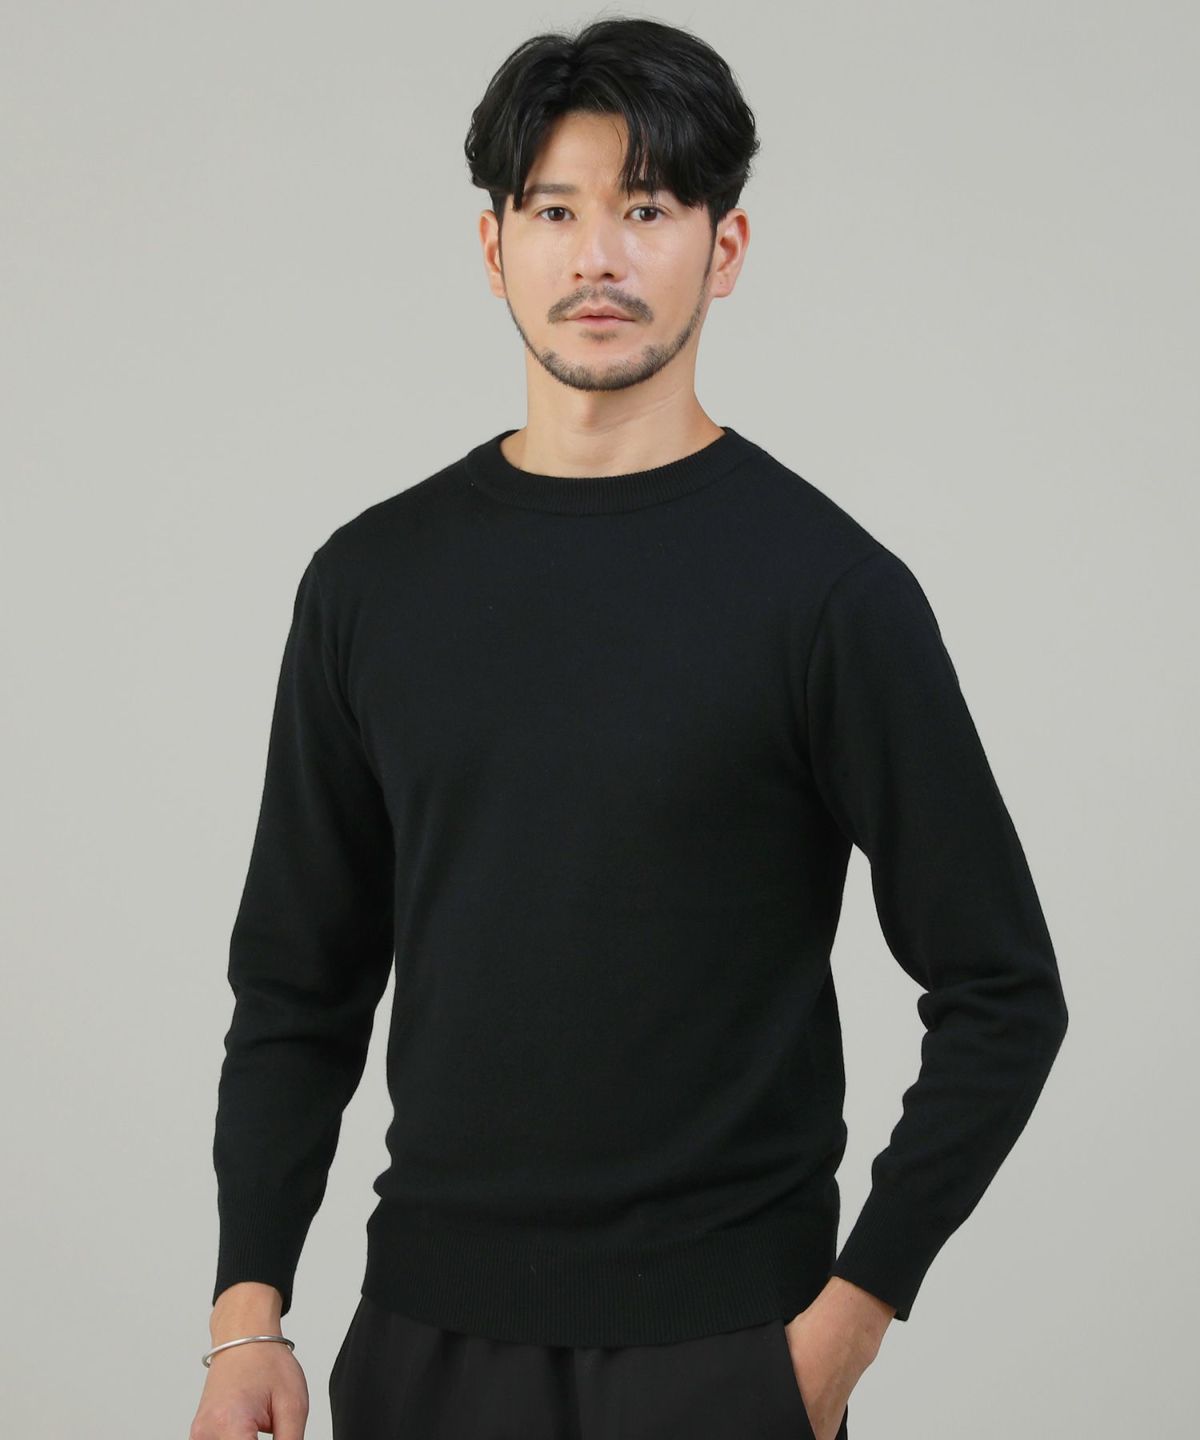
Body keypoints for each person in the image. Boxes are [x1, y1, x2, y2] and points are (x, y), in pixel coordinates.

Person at [190, 16, 1069, 1440]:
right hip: (424, 1350)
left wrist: (845, 1327)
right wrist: (248, 1317)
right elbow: (297, 985)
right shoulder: (371, 583)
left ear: (724, 249)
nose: (597, 256)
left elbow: (1004, 990)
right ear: (494, 248)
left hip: (728, 1352)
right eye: (555, 211)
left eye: (647, 209)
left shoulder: (828, 593)